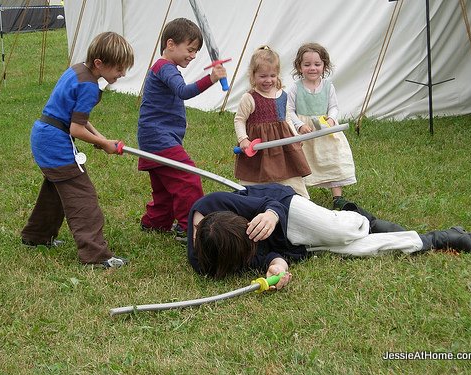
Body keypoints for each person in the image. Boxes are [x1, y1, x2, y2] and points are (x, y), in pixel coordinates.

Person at [187, 183, 471, 289]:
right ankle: (439, 239)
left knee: (342, 231)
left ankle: (358, 216)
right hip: (289, 247)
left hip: (287, 212)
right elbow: (264, 258)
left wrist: (271, 215)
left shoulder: (215, 204)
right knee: (357, 249)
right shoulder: (207, 263)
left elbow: (275, 196)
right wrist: (277, 266)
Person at [21, 32, 134, 268]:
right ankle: (95, 255)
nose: (122, 74)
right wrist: (103, 144)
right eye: (119, 69)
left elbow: (77, 118)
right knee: (83, 197)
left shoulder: (77, 70)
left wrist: (100, 138)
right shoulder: (89, 86)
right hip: (55, 143)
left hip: (43, 134)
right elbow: (75, 128)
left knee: (56, 187)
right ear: (99, 64)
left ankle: (37, 236)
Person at [137, 18, 227, 239]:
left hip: (156, 136)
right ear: (170, 44)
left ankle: (155, 222)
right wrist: (211, 78)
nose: (193, 55)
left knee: (165, 187)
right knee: (188, 178)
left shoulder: (165, 68)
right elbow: (183, 92)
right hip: (159, 138)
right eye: (190, 49)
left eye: (195, 51)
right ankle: (188, 227)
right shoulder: (165, 68)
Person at [234, 46, 311, 198]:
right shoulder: (249, 98)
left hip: (283, 146)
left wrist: (295, 136)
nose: (268, 80)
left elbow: (286, 117)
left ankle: (299, 200)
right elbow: (239, 119)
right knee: (256, 179)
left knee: (289, 173)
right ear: (253, 75)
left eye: (272, 75)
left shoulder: (283, 95)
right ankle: (253, 199)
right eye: (263, 76)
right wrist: (243, 139)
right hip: (259, 149)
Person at [287, 43, 356, 209]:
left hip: (325, 131)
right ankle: (302, 195)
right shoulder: (295, 88)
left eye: (317, 64)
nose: (312, 68)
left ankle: (337, 197)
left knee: (332, 159)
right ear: (299, 66)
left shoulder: (328, 86)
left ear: (324, 65)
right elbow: (289, 110)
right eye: (307, 64)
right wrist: (299, 125)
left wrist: (331, 120)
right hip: (305, 132)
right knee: (305, 161)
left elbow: (333, 106)